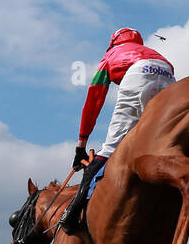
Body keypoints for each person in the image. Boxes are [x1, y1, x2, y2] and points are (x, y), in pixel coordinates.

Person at [58, 28, 175, 232]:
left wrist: (81, 146)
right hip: (168, 72)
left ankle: (72, 213)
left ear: (113, 43)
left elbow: (94, 100)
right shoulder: (154, 52)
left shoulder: (111, 55)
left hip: (139, 73)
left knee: (111, 148)